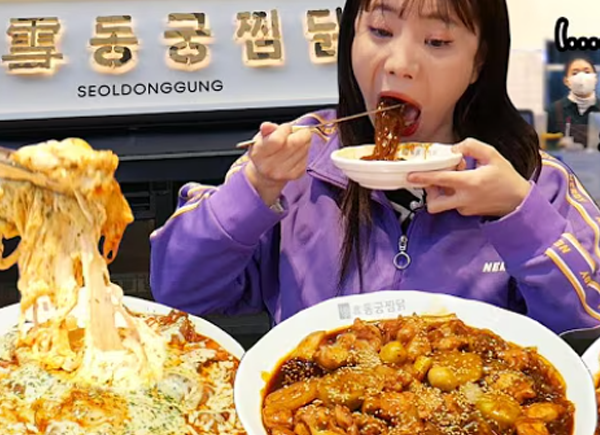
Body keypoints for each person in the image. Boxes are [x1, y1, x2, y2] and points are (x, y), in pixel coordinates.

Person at [150, 0, 600, 334]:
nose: (399, 64)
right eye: (381, 31)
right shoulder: (297, 164)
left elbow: (587, 329)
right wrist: (255, 189)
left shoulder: (535, 180)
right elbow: (179, 290)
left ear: (478, 62)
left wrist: (516, 215)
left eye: (437, 42)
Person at [547, 55, 600, 149]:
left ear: (595, 78)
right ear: (566, 81)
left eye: (587, 72)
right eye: (575, 73)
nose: (581, 77)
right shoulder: (553, 111)